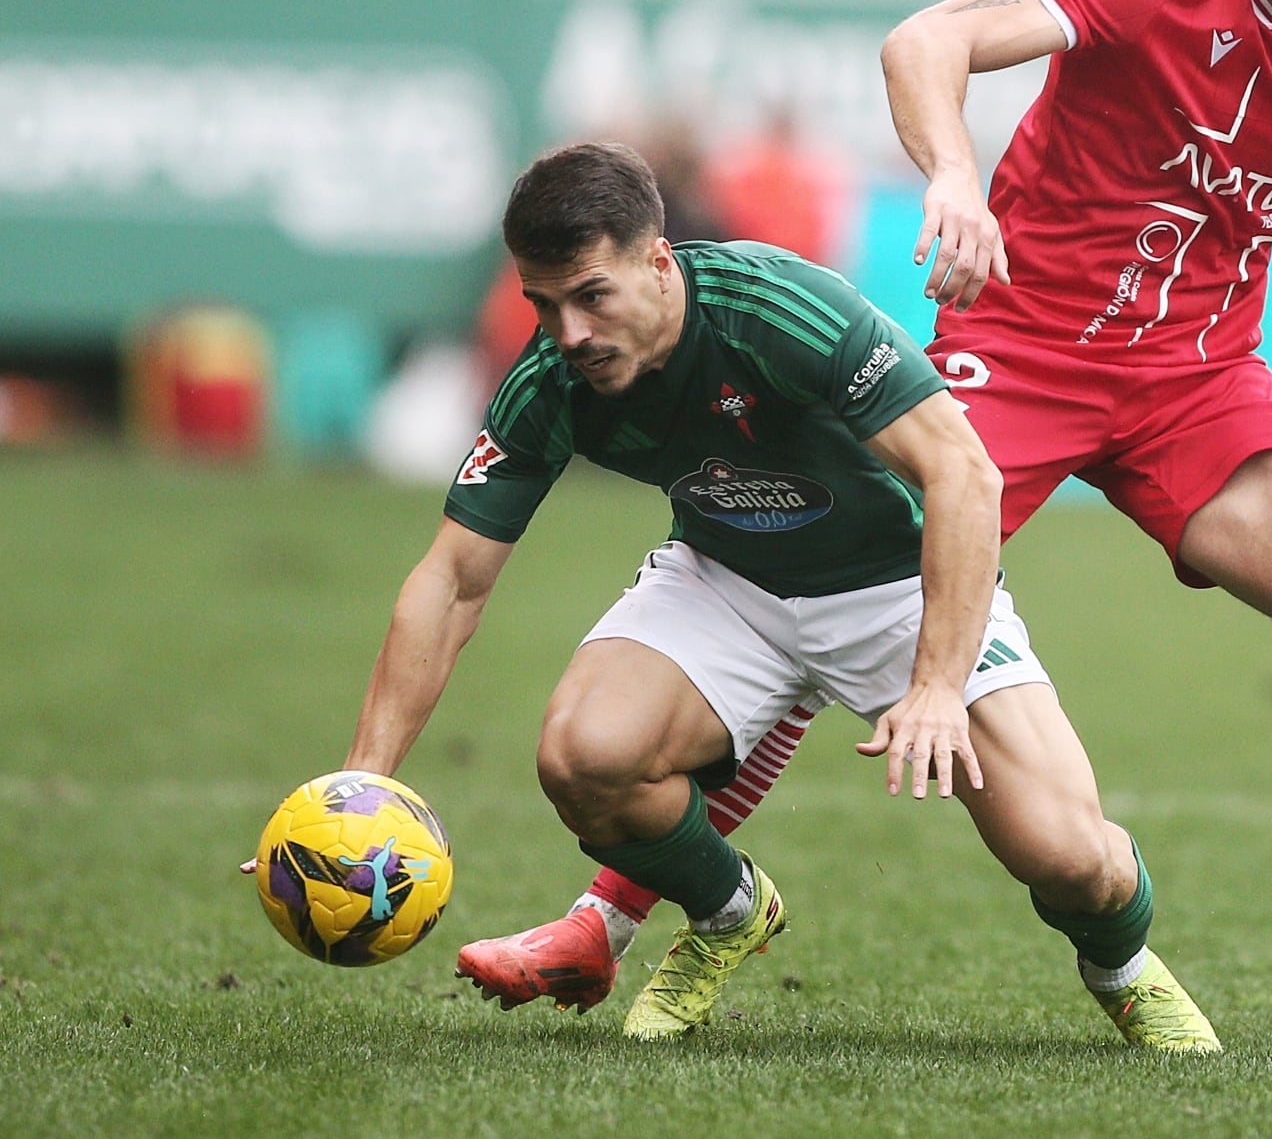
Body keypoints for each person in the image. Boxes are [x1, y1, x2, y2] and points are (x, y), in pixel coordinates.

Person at [464, 0, 1272, 1060]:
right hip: (1014, 353)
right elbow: (924, 41)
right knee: (832, 565)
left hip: (1196, 381)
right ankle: (604, 917)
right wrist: (957, 182)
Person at [367, 140, 1218, 1048]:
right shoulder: (550, 380)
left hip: (896, 586)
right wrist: (363, 787)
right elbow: (453, 579)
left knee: (1072, 858)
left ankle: (1121, 968)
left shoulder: (777, 307)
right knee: (585, 757)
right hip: (728, 578)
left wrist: (934, 686)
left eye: (591, 296)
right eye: (545, 304)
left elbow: (964, 474)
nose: (569, 332)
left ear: (658, 262)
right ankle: (730, 912)